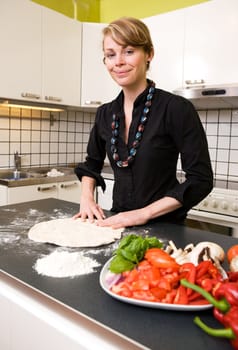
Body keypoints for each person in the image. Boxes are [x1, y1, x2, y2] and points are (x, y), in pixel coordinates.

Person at [74, 17, 213, 229]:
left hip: (166, 226)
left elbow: (200, 180)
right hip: (117, 223)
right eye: (110, 55)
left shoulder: (176, 108)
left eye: (129, 51)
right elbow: (91, 165)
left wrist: (143, 214)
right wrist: (87, 198)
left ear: (149, 54)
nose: (118, 61)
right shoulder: (105, 113)